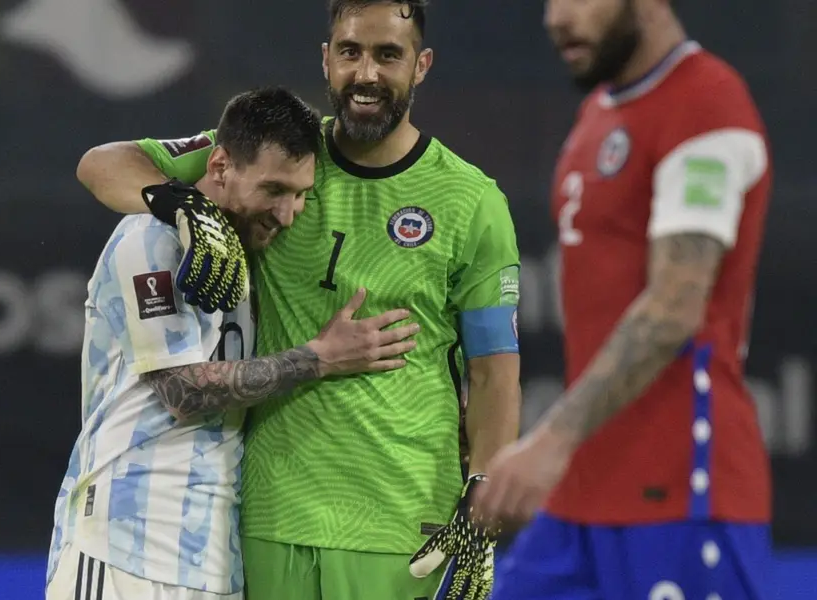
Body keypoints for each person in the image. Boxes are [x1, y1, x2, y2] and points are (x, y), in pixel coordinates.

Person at [75, 2, 523, 598]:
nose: (366, 74)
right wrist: (187, 207)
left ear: (422, 65)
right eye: (350, 52)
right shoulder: (280, 155)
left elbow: (495, 372)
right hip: (267, 522)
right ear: (326, 59)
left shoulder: (472, 201)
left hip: (398, 525)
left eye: (388, 55)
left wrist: (483, 502)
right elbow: (103, 163)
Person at [47, 86, 422, 600]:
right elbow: (181, 393)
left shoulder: (250, 253)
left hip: (214, 560)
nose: (289, 213)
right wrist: (319, 358)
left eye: (301, 193)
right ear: (220, 166)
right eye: (274, 190)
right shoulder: (151, 237)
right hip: (122, 548)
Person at [474, 1, 773, 599]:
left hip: (681, 499)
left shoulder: (705, 105)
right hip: (581, 501)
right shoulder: (597, 114)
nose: (555, 18)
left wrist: (550, 438)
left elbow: (672, 309)